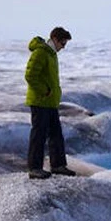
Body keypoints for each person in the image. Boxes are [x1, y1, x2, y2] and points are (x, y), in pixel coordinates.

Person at [24, 26, 76, 179]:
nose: (63, 47)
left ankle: (58, 165)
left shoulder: (51, 54)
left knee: (56, 135)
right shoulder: (40, 52)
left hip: (50, 102)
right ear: (55, 39)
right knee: (38, 135)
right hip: (40, 101)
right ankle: (34, 168)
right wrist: (45, 91)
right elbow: (30, 75)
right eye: (63, 43)